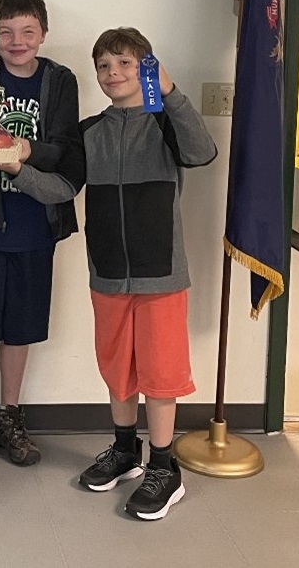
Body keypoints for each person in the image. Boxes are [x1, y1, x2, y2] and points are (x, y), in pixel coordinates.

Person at [77, 27, 217, 520]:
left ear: (146, 69)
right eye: (103, 66)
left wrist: (172, 95)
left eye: (125, 64)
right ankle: (124, 450)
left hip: (161, 274)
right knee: (117, 369)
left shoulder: (164, 123)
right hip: (108, 273)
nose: (112, 73)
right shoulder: (90, 130)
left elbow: (202, 152)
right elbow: (59, 183)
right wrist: (13, 162)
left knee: (160, 374)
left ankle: (163, 466)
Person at [0, 0, 84, 471]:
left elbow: (66, 149)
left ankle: (10, 415)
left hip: (35, 224)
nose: (17, 40)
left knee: (20, 329)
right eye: (6, 32)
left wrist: (22, 152)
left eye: (27, 31)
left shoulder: (59, 81)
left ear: (43, 34)